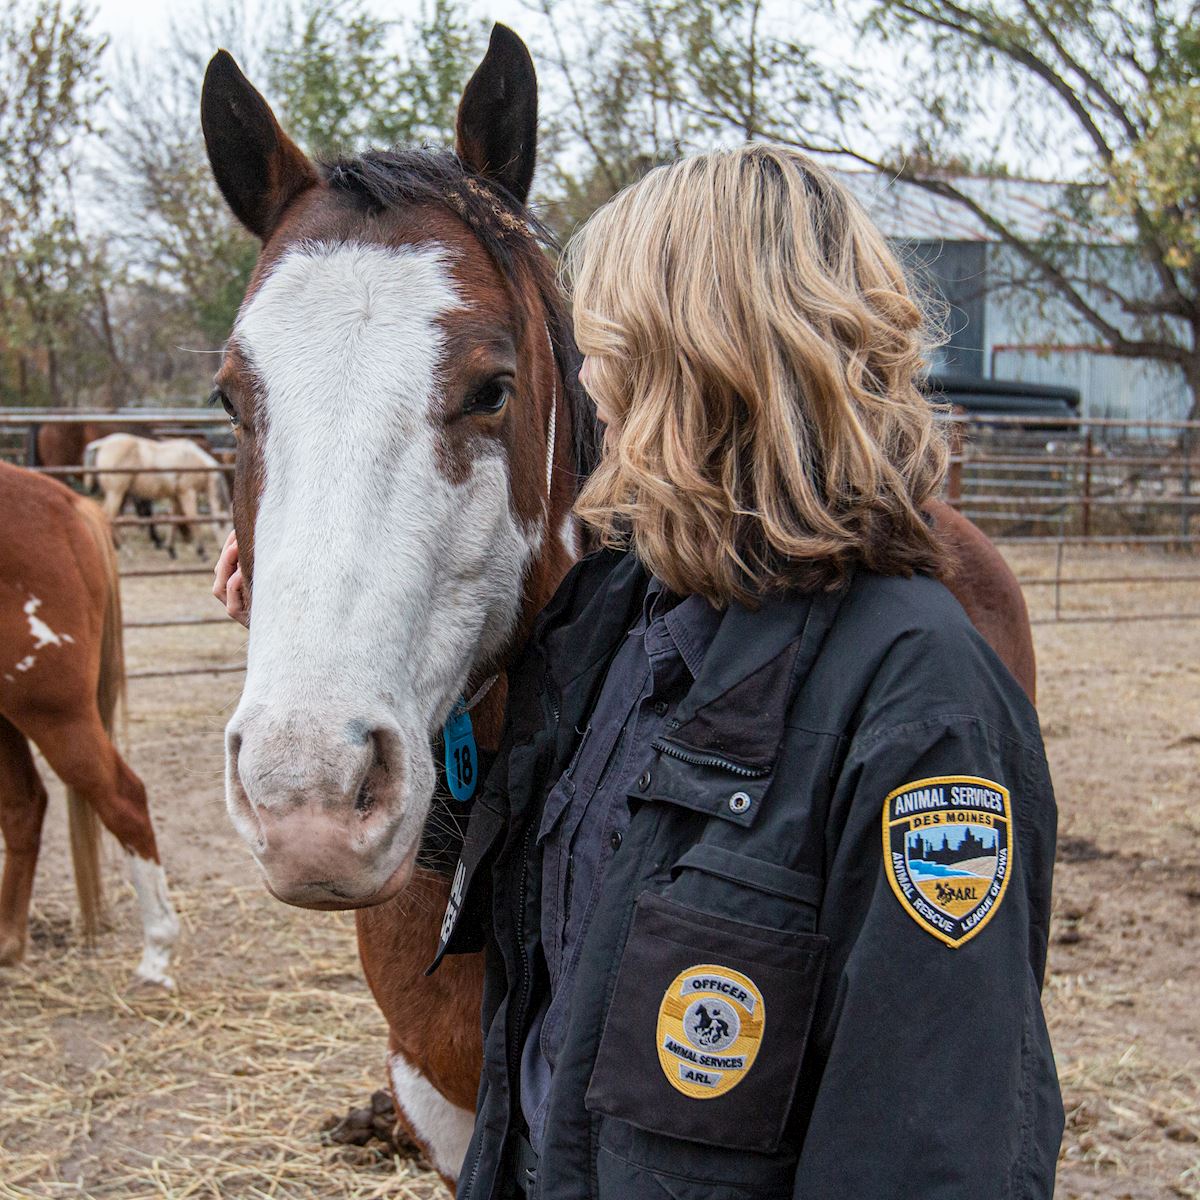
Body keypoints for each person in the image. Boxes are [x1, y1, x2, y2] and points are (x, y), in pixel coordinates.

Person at [216, 145, 1063, 1198]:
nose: (585, 390)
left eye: (602, 350)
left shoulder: (922, 700)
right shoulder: (627, 619)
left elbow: (932, 1145)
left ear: (711, 368)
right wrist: (327, 605)